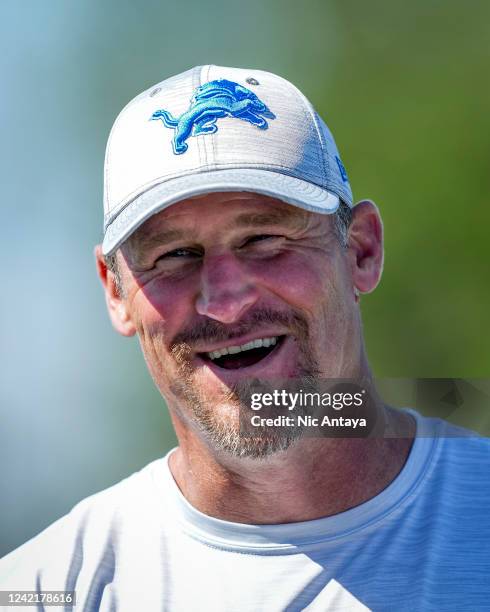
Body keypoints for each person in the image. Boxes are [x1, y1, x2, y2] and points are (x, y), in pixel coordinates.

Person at [1, 65, 489, 612]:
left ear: (360, 252)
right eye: (175, 256)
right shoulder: (43, 592)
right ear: (115, 292)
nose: (225, 301)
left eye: (264, 239)